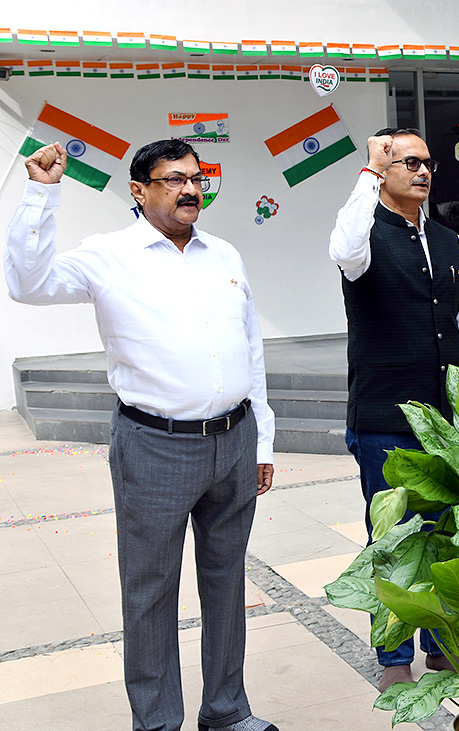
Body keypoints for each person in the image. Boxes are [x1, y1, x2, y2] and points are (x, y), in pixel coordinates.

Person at [6, 140, 277, 731]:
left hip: (234, 440)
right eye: (174, 179)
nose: (190, 190)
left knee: (228, 585)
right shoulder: (107, 255)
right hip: (154, 446)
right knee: (150, 591)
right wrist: (41, 194)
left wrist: (263, 438)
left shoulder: (225, 254)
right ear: (139, 190)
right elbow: (27, 284)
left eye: (197, 179)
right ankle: (157, 722)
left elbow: (250, 347)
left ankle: (227, 711)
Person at [329, 128, 459, 689]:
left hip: (444, 418)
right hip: (383, 417)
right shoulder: (364, 235)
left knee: (443, 533)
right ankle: (393, 657)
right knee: (393, 539)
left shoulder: (450, 241)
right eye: (406, 162)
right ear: (383, 168)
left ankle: (442, 644)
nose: (421, 171)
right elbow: (343, 250)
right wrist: (367, 172)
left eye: (427, 162)